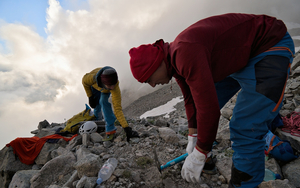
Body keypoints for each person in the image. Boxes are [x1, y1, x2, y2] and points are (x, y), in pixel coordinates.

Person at [128, 13, 295, 187]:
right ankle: (212, 158)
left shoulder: (185, 53)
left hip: (269, 46)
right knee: (204, 104)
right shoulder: (173, 60)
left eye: (149, 79)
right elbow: (191, 100)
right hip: (241, 54)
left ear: (156, 64)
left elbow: (210, 110)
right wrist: (194, 137)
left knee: (245, 127)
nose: (153, 85)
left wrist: (201, 151)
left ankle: (244, 184)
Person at [82, 66, 139, 141]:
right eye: (110, 85)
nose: (112, 88)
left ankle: (110, 130)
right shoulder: (92, 78)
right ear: (103, 83)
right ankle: (97, 121)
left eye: (114, 84)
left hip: (105, 90)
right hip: (94, 86)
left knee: (104, 102)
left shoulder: (114, 87)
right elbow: (84, 81)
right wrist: (90, 96)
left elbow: (117, 108)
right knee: (96, 105)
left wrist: (126, 128)